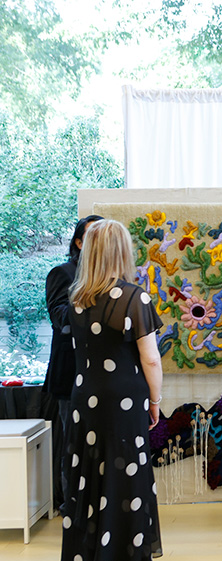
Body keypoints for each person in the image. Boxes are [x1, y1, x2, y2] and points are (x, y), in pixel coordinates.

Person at [58, 220, 163, 561]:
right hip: (123, 403)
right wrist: (155, 401)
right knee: (124, 483)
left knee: (88, 480)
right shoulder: (135, 298)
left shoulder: (77, 298)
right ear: (123, 251)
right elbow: (150, 360)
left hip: (85, 402)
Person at [43, 214, 104, 511]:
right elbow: (60, 320)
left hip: (106, 377)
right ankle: (74, 509)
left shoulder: (115, 277)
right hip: (71, 375)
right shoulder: (63, 272)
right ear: (79, 242)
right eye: (92, 235)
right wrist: (92, 295)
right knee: (74, 446)